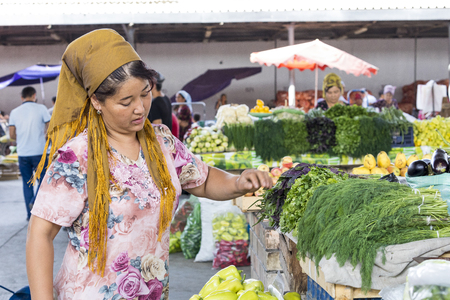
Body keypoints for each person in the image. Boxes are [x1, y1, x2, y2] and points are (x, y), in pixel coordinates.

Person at [25, 29, 271, 300]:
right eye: (125, 102)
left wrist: (238, 182)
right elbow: (40, 235)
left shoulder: (161, 141)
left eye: (144, 94)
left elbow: (202, 178)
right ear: (96, 101)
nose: (140, 108)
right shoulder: (77, 157)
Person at [8, 86, 50, 220]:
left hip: (23, 153)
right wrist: (44, 137)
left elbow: (12, 135)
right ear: (34, 95)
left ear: (22, 97)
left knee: (27, 183)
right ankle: (34, 201)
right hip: (39, 152)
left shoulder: (14, 112)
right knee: (42, 181)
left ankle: (29, 215)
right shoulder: (42, 109)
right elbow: (50, 129)